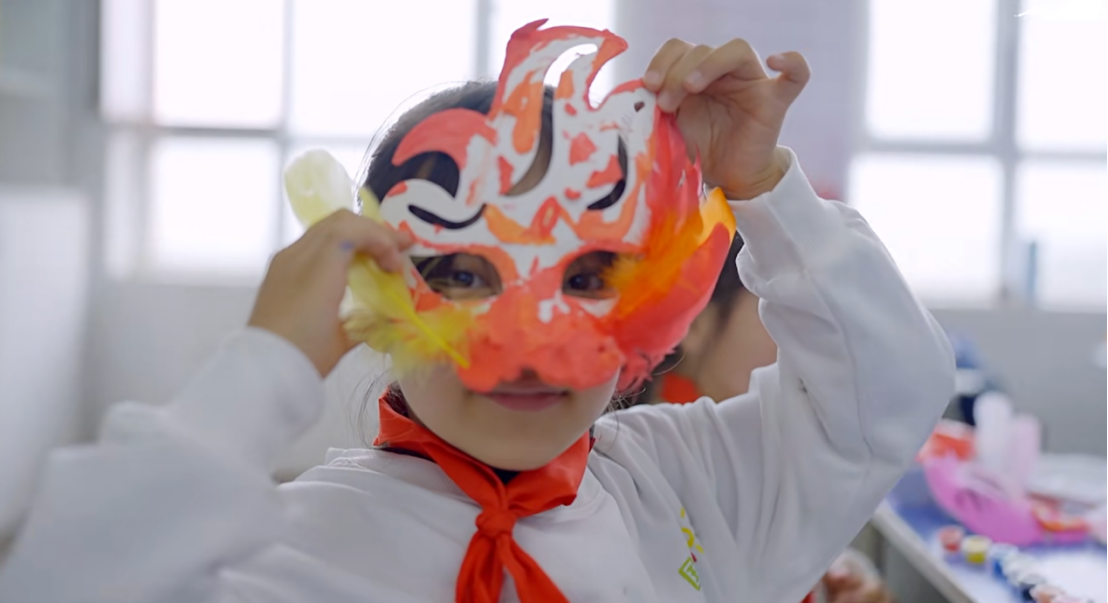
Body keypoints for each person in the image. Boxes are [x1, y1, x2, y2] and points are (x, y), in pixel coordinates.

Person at [0, 24, 954, 603]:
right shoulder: (285, 548)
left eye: (586, 274)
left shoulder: (687, 487)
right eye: (462, 273)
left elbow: (888, 395)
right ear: (377, 288)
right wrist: (263, 367)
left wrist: (765, 187)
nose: (527, 340)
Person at [638, 235, 896, 603]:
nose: (810, 341)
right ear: (693, 320)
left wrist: (827, 576)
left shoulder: (740, 442)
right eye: (782, 311)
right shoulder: (661, 463)